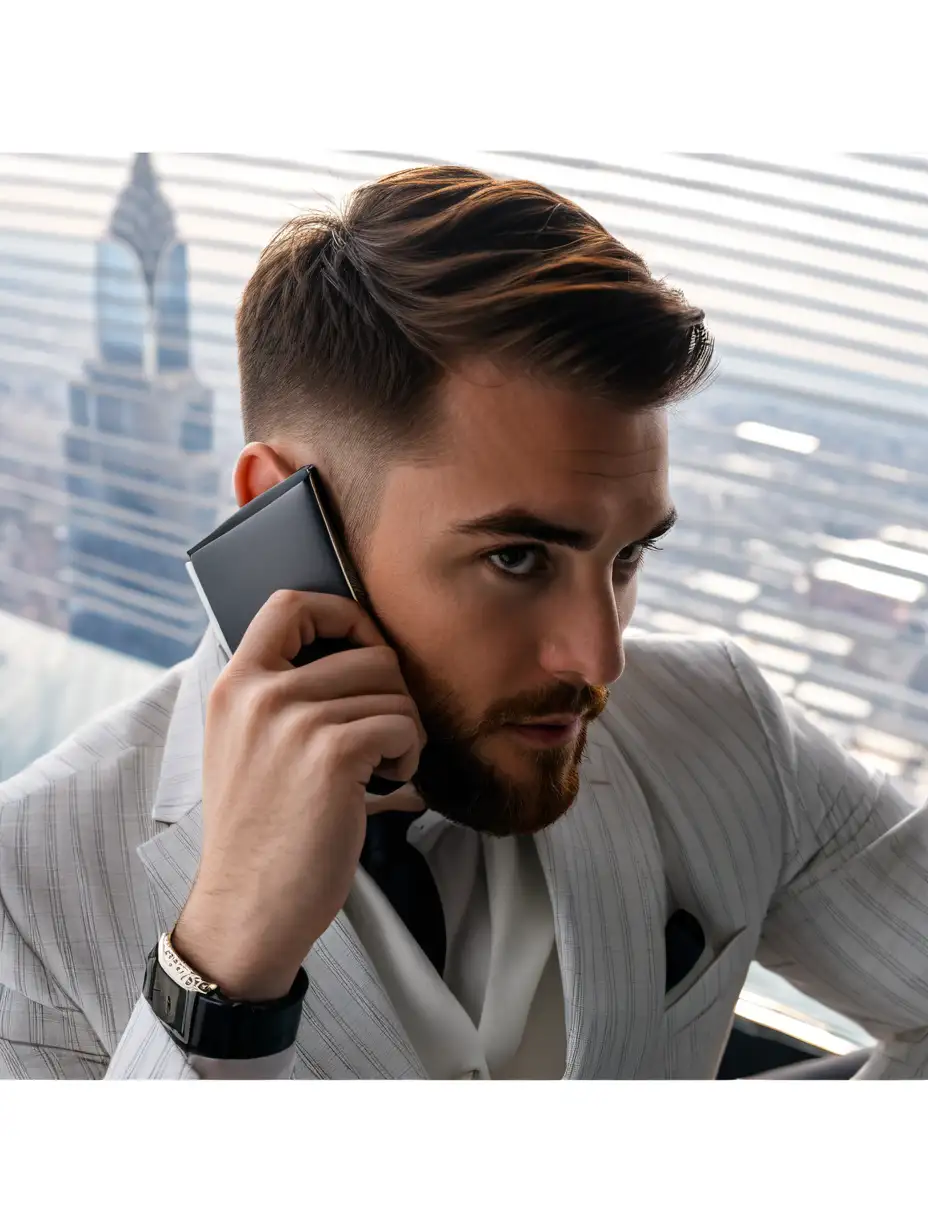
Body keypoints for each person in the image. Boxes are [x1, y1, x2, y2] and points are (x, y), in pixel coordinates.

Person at [2, 165, 927, 1081]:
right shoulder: (27, 893)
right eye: (517, 558)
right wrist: (224, 968)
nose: (598, 656)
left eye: (629, 555)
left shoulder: (726, 725)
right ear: (282, 511)